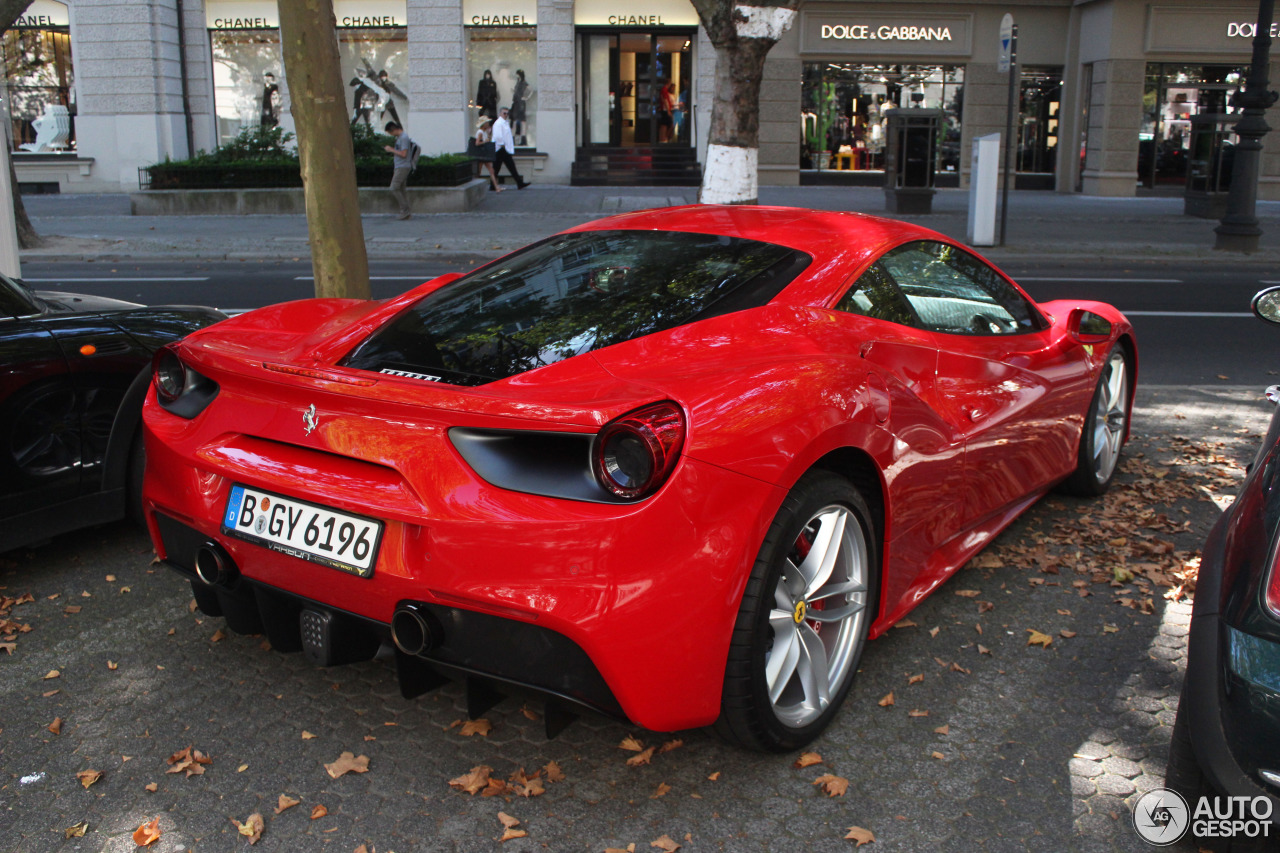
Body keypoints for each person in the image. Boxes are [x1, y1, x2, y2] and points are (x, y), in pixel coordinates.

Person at [382, 121, 415, 219]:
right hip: (400, 166)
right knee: (401, 189)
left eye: (390, 133)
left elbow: (404, 154)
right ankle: (406, 212)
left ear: (393, 130)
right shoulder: (400, 138)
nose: (391, 135)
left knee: (394, 187)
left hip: (403, 166)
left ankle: (405, 210)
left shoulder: (404, 138)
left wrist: (391, 150)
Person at [491, 106, 529, 190]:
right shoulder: (498, 123)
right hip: (501, 148)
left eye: (507, 113)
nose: (506, 115)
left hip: (503, 148)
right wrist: (502, 145)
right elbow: (498, 136)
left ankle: (519, 183)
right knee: (504, 166)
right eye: (504, 113)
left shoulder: (504, 123)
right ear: (500, 113)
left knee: (502, 167)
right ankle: (519, 183)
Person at [473, 116, 501, 193]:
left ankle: (496, 187)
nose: (488, 124)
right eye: (487, 123)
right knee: (479, 172)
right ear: (483, 124)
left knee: (491, 170)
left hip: (484, 154)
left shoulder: (483, 132)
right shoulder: (480, 132)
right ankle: (475, 187)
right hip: (482, 155)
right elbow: (477, 143)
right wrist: (485, 141)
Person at [510, 70, 531, 144]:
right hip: (516, 103)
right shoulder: (518, 82)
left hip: (520, 104)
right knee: (515, 121)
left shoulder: (523, 82)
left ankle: (523, 139)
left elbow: (530, 90)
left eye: (517, 74)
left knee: (522, 122)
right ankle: (514, 139)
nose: (516, 76)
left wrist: (526, 97)